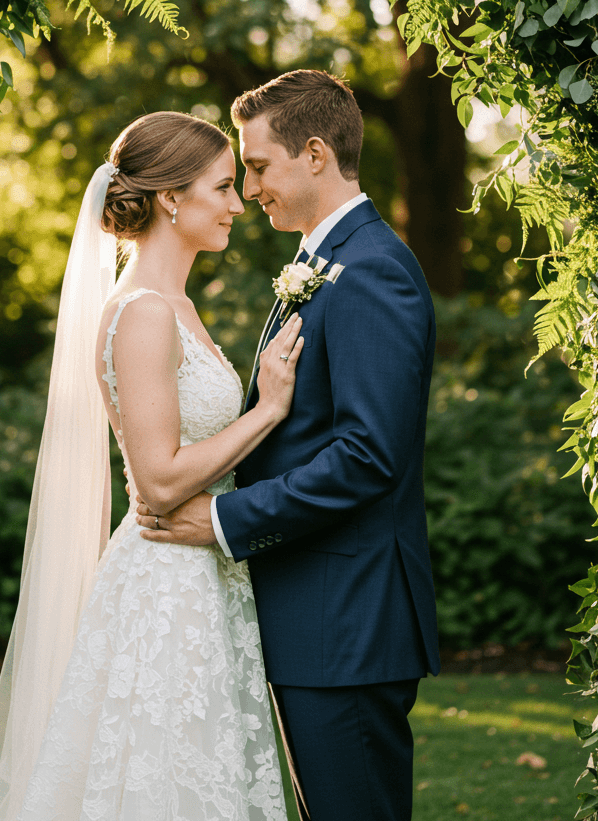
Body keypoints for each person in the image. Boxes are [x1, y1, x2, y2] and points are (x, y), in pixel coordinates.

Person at [0, 111, 303, 821]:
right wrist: (266, 410)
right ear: (171, 198)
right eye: (222, 187)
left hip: (203, 573)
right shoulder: (145, 311)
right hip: (166, 586)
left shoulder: (176, 304)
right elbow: (156, 479)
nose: (238, 203)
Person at [137, 70, 440, 821]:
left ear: (314, 154)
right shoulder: (322, 262)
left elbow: (369, 455)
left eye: (259, 166)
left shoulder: (371, 271)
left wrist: (223, 520)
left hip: (347, 620)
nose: (249, 188)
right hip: (314, 612)